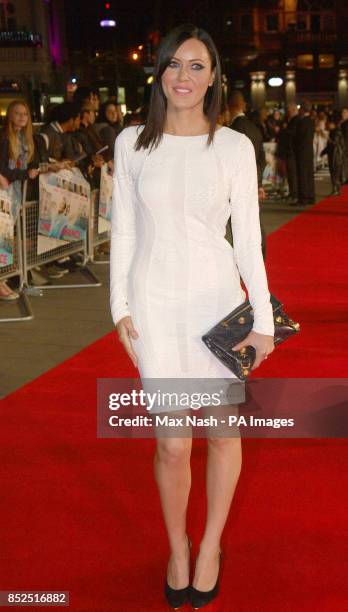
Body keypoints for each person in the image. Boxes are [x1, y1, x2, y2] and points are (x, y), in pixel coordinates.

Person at [110, 23, 274, 610]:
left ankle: (209, 549)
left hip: (216, 304)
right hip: (154, 307)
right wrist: (119, 308)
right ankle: (176, 546)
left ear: (213, 77)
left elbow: (249, 240)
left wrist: (263, 322)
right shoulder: (132, 143)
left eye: (197, 66)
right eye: (175, 64)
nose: (184, 76)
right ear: (158, 72)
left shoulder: (233, 147)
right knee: (173, 445)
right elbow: (123, 230)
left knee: (223, 432)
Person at [0, 100, 39, 300]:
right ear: (10, 116)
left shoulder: (25, 139)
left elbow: (33, 162)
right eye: (18, 113)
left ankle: (3, 278)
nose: (22, 116)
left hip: (14, 194)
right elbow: (3, 169)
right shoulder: (5, 137)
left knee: (7, 236)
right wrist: (25, 173)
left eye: (25, 113)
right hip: (4, 193)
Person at [228, 90, 267, 258]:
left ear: (230, 107)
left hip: (238, 184)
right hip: (252, 181)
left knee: (240, 226)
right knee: (253, 222)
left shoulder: (234, 129)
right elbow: (262, 159)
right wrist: (258, 183)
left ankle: (248, 260)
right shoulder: (254, 128)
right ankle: (258, 256)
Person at [294, 100, 315, 206]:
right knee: (309, 174)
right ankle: (311, 196)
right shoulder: (311, 121)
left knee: (302, 175)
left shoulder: (302, 122)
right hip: (309, 151)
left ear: (302, 109)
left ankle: (303, 198)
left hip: (302, 152)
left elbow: (299, 138)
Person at [320, 116, 346, 196]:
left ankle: (336, 189)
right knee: (333, 172)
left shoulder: (337, 132)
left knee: (335, 172)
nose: (328, 125)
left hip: (336, 155)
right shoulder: (333, 131)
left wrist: (327, 138)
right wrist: (323, 152)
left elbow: (334, 144)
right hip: (332, 155)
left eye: (329, 124)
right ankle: (335, 189)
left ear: (333, 124)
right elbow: (330, 146)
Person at [284, 102, 300, 205]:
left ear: (293, 110)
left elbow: (292, 135)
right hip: (289, 151)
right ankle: (292, 192)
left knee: (293, 174)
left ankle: (294, 194)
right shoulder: (291, 120)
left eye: (289, 110)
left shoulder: (296, 120)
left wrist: (285, 131)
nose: (287, 112)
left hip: (292, 151)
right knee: (290, 174)